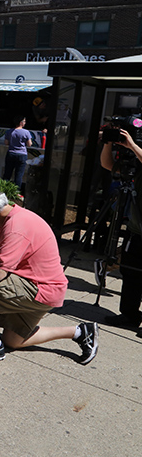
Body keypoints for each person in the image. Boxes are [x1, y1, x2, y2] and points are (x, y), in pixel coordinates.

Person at [0, 188, 99, 364]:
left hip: (39, 290)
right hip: (45, 288)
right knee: (13, 340)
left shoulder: (16, 227)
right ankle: (80, 332)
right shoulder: (15, 216)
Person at [100, 127, 142, 330]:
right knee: (130, 271)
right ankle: (129, 315)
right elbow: (108, 164)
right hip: (136, 229)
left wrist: (133, 146)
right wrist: (109, 142)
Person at [3, 115, 32, 188]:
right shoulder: (26, 132)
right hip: (22, 155)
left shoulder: (9, 131)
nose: (25, 123)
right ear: (21, 123)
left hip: (11, 153)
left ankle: (3, 190)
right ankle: (16, 193)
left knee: (7, 174)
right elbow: (29, 144)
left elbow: (6, 142)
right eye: (24, 121)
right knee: (19, 175)